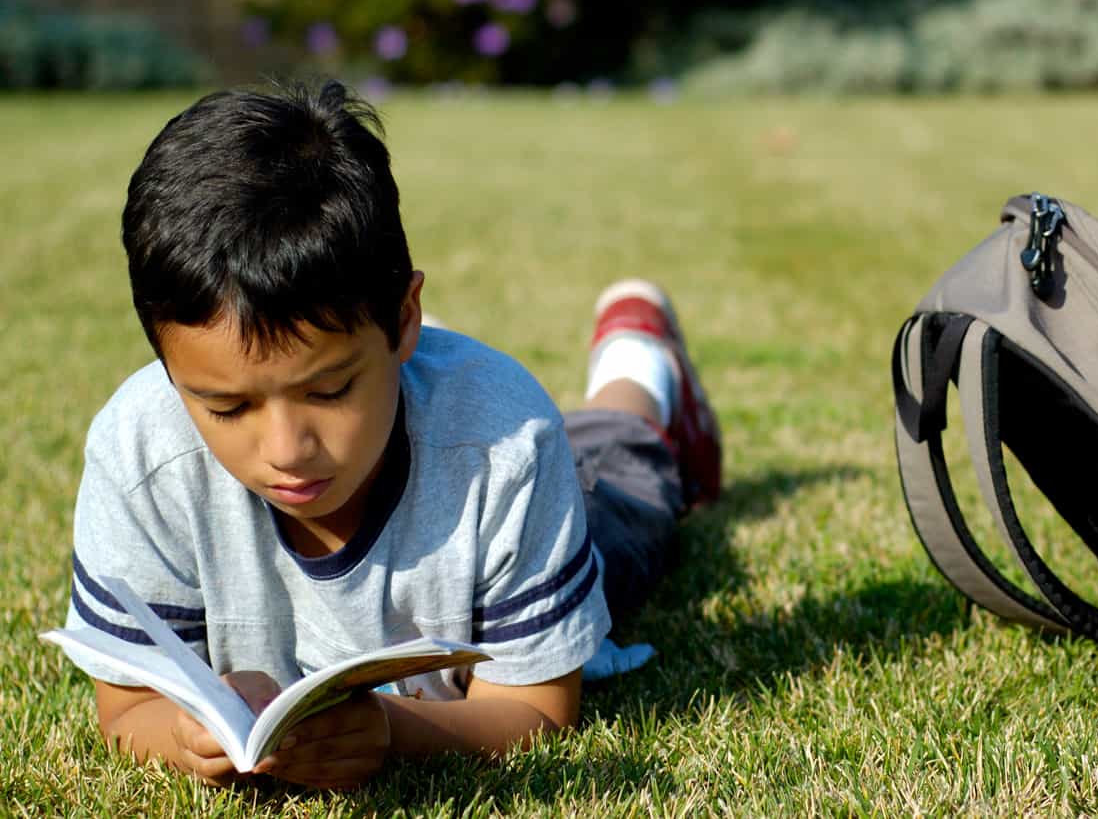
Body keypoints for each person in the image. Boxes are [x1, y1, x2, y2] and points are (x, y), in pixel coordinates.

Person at [59, 80, 721, 789]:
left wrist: (393, 733)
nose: (286, 449)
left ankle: (638, 359)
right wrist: (186, 741)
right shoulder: (141, 454)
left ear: (404, 316)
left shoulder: (505, 448)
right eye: (226, 407)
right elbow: (128, 710)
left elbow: (537, 708)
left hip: (522, 479)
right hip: (415, 394)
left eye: (329, 390)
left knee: (621, 477)